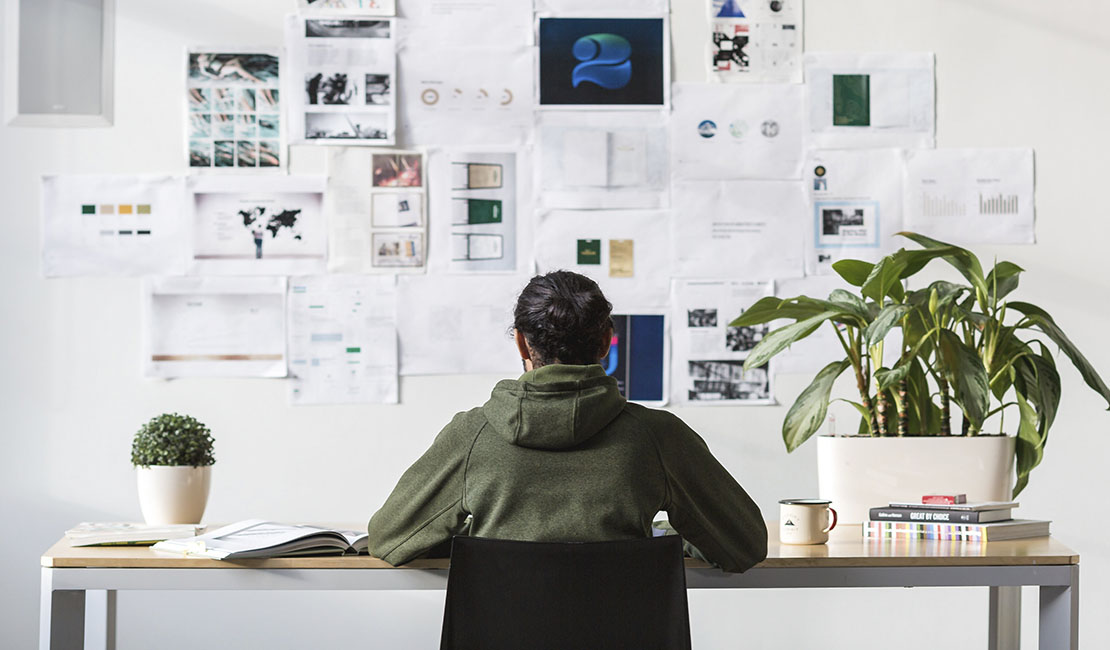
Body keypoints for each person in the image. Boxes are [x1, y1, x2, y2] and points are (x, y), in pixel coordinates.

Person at [365, 271, 768, 573]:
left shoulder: (473, 436)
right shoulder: (658, 437)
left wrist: (479, 539)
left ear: (522, 341)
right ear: (608, 340)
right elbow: (744, 546)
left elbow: (389, 539)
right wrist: (663, 539)